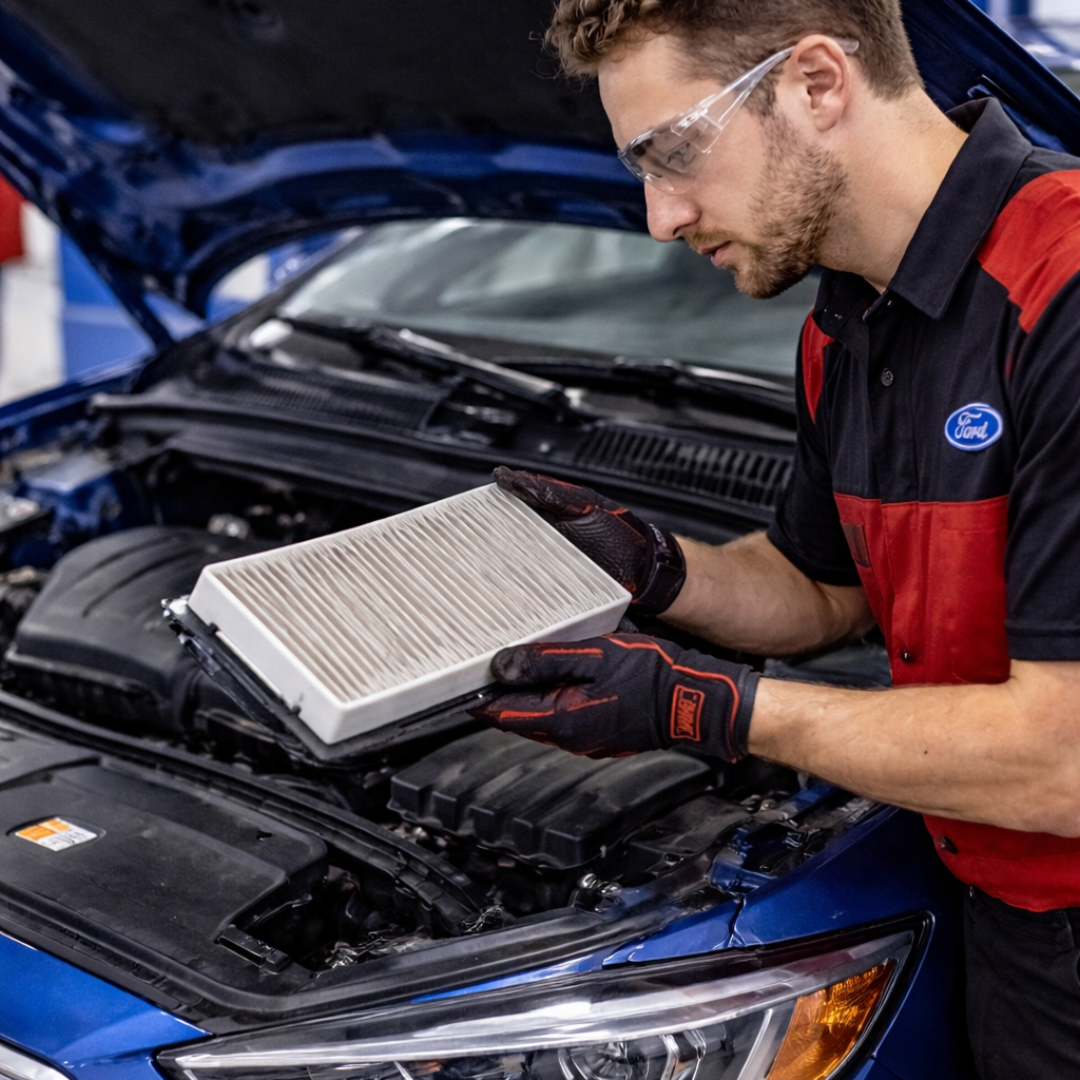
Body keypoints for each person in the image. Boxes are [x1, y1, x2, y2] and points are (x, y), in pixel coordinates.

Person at [469, 2, 1080, 1076]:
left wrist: (703, 706)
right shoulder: (844, 328)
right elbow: (821, 587)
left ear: (816, 82)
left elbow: (1065, 764)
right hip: (1009, 912)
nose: (660, 216)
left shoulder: (1063, 291)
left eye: (673, 152)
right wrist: (657, 570)